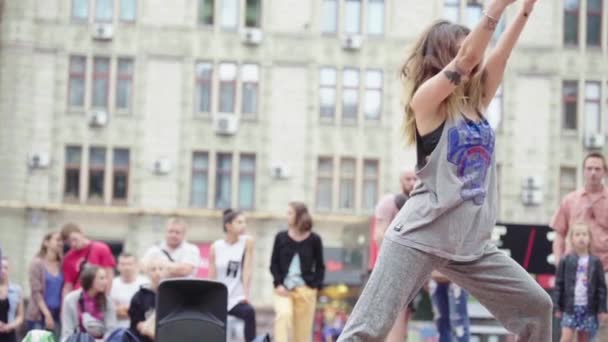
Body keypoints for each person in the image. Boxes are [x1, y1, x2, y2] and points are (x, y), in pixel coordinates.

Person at [337, 0, 553, 340]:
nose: (476, 57)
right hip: (420, 235)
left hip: (471, 244)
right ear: (444, 57)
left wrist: (525, 8)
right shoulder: (427, 103)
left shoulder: (478, 101)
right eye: (465, 48)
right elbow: (467, 59)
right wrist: (497, 7)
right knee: (365, 331)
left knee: (536, 307)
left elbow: (501, 55)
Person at [551, 152, 608, 340]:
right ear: (583, 171)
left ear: (604, 172)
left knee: (599, 325)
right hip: (574, 271)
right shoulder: (571, 199)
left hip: (604, 271)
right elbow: (559, 232)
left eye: (597, 169)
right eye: (589, 168)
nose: (593, 173)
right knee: (569, 326)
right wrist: (560, 262)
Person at [370, 169, 417, 342]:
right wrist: (389, 264)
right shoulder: (389, 202)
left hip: (411, 270)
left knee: (404, 317)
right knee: (391, 316)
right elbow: (379, 234)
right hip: (390, 269)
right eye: (408, 178)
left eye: (415, 178)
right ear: (400, 181)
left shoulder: (420, 203)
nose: (412, 182)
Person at [270, 202, 325, 342]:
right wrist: (278, 284)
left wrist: (314, 288)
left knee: (302, 335)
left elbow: (320, 266)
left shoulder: (314, 240)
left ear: (299, 216)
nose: (286, 216)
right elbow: (273, 264)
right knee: (283, 315)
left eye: (290, 213)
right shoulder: (280, 237)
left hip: (305, 292)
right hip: (283, 289)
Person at [554, 223, 608, 342]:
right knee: (566, 337)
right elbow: (559, 285)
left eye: (584, 234)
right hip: (570, 307)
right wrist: (557, 306)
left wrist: (602, 309)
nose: (581, 237)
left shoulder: (595, 262)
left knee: (583, 338)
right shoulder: (565, 260)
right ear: (572, 239)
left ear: (590, 238)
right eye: (577, 234)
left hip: (588, 308)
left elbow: (601, 288)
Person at [209, 209, 257, 341]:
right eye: (239, 222)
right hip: (220, 299)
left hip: (237, 299)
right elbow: (212, 276)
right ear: (228, 225)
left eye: (244, 222)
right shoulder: (215, 247)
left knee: (249, 312)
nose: (244, 225)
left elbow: (247, 269)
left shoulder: (247, 242)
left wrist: (246, 295)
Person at [60, 266, 117, 341]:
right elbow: (67, 331)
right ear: (90, 280)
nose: (106, 282)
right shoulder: (70, 299)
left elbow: (111, 330)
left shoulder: (108, 301)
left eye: (106, 278)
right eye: (101, 278)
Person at [61, 223, 116, 297]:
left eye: (74, 239)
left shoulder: (100, 248)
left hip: (98, 297)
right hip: (78, 298)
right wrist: (65, 306)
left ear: (81, 233)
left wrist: (106, 297)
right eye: (69, 242)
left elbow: (109, 275)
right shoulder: (68, 258)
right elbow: (68, 286)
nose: (73, 244)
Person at [25, 232, 64, 337]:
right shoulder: (37, 263)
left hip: (56, 315)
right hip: (38, 315)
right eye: (57, 240)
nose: (60, 243)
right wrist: (47, 314)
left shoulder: (62, 265)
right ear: (46, 243)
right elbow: (36, 292)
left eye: (61, 241)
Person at [129, 257, 168, 342]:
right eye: (153, 269)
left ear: (166, 272)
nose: (157, 272)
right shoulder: (139, 296)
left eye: (161, 269)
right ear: (147, 273)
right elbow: (136, 323)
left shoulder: (172, 295)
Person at [110, 253, 148, 328]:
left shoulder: (145, 284)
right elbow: (108, 309)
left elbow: (146, 310)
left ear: (137, 265)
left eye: (130, 264)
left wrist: (127, 311)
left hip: (139, 328)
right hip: (116, 328)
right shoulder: (111, 284)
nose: (126, 267)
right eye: (123, 264)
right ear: (118, 266)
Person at [0, 257, 24, 342]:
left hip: (10, 334)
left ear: (9, 270)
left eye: (5, 268)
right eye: (0, 267)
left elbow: (20, 316)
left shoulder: (17, 290)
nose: (2, 270)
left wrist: (10, 326)